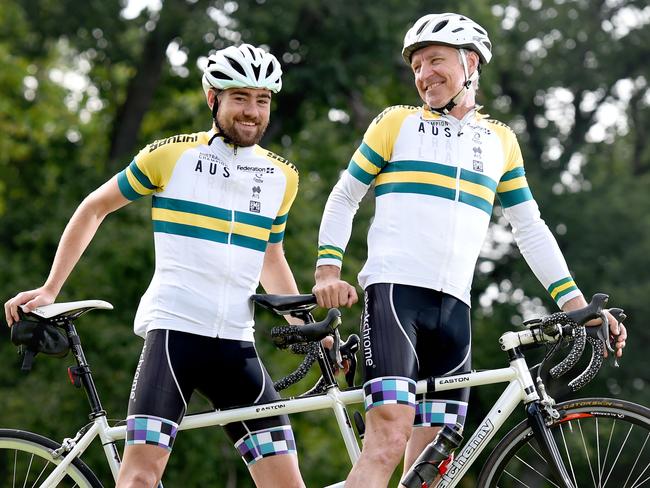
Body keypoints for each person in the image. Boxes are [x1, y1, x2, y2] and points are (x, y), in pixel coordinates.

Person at [312, 12, 628, 487]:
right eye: (416, 66)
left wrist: (577, 305)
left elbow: (530, 228)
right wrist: (326, 272)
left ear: (470, 63)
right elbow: (344, 195)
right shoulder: (397, 124)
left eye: (435, 60)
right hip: (395, 296)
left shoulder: (500, 140)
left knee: (431, 474)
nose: (423, 75)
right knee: (388, 441)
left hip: (454, 307)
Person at [5, 44, 307, 488]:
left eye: (262, 100)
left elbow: (270, 254)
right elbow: (94, 209)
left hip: (237, 348)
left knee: (286, 484)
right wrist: (51, 289)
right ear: (213, 98)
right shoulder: (172, 156)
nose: (252, 111)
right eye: (240, 97)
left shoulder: (283, 176)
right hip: (175, 337)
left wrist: (305, 323)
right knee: (140, 479)